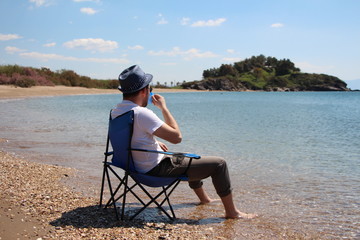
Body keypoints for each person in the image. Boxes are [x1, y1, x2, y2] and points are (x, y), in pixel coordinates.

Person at [112, 65, 257, 219]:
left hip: (134, 168)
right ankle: (232, 213)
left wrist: (153, 142)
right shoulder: (142, 114)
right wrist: (163, 108)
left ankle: (204, 199)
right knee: (219, 164)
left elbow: (130, 135)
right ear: (144, 91)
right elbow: (176, 137)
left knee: (191, 158)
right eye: (149, 87)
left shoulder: (116, 112)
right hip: (154, 171)